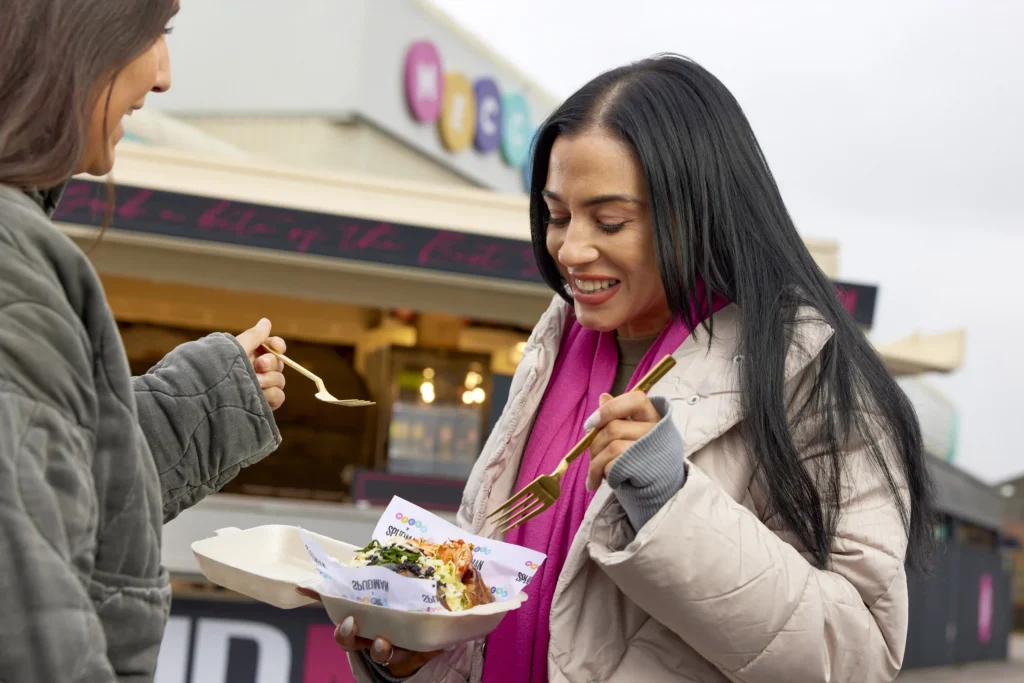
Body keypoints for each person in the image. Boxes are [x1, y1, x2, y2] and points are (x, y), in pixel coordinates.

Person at [320, 54, 935, 683]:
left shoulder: (817, 377)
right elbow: (499, 621)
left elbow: (855, 658)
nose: (571, 249)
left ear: (699, 211)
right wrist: (416, 650)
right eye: (557, 216)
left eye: (609, 221)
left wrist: (672, 502)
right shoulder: (552, 352)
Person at [0, 2, 289, 681]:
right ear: (71, 31)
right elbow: (29, 618)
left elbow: (57, 494)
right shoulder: (14, 262)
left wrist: (211, 400)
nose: (163, 75)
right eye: (155, 31)